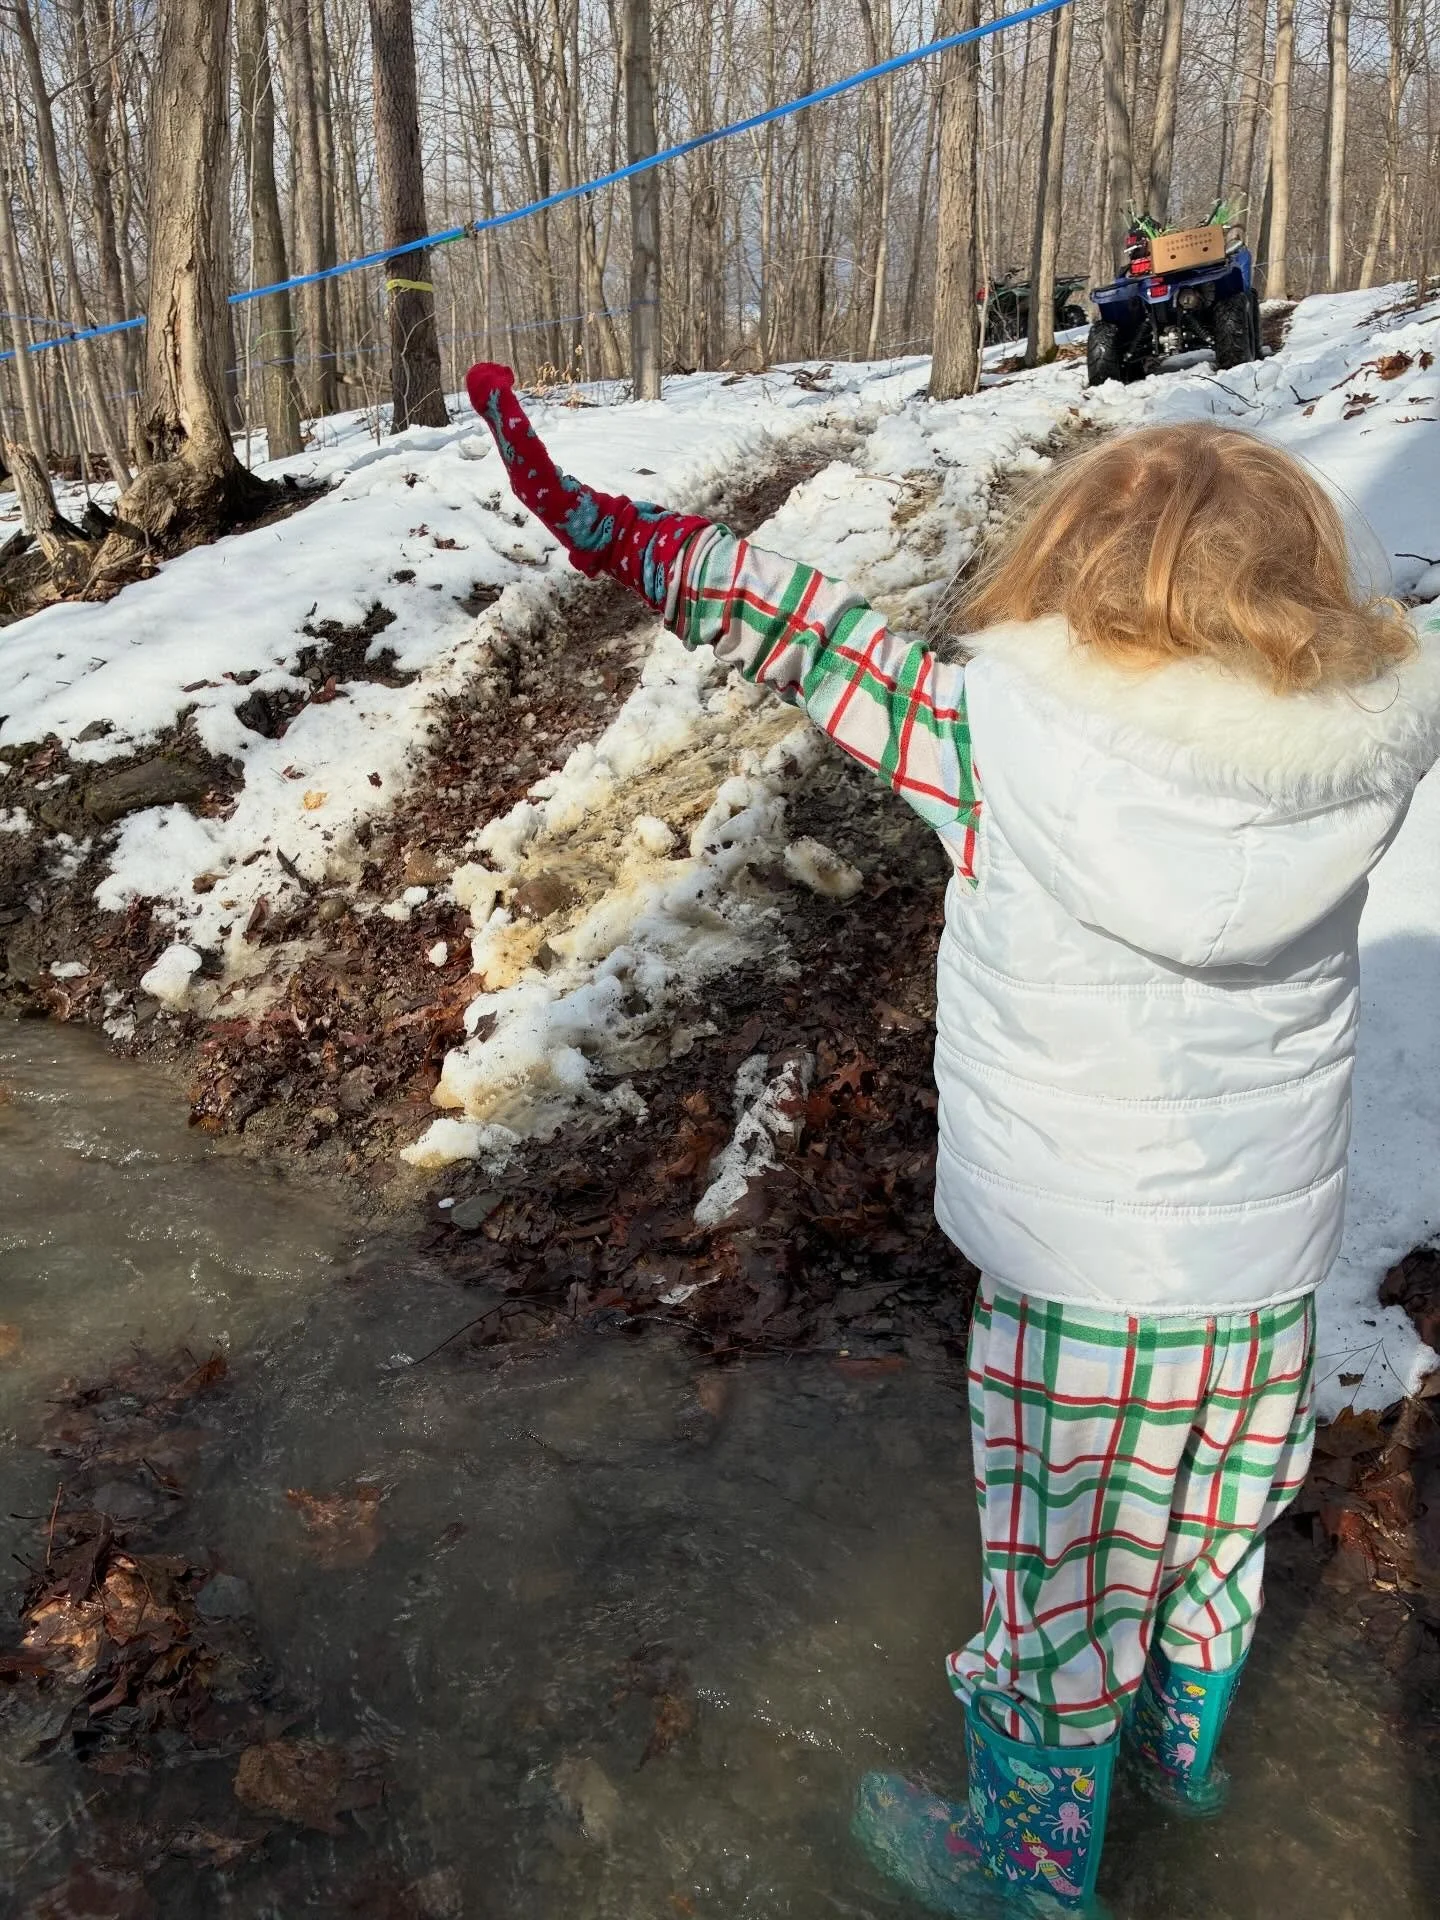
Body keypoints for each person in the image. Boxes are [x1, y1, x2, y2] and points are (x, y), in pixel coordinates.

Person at [463, 364, 1440, 1913]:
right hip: (1262, 1281)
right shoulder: (1364, 759)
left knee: (1060, 1592)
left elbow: (789, 620)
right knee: (1212, 1541)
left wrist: (610, 527)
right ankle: (1185, 1770)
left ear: (1065, 575)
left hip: (1076, 1285)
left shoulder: (992, 735)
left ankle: (1030, 1868)